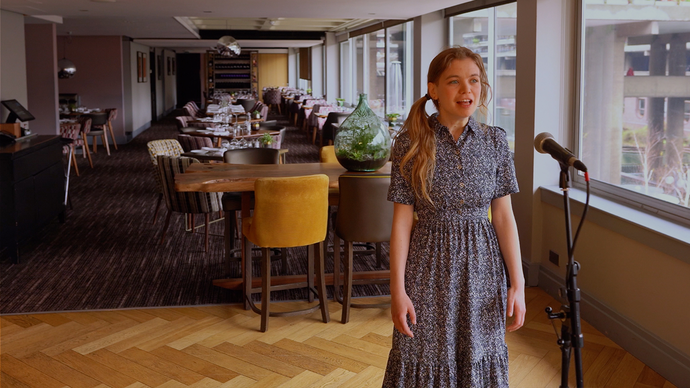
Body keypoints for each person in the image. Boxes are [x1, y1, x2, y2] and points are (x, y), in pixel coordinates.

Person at [383, 46, 526, 387]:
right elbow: (402, 223)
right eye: (454, 82)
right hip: (427, 268)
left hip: (482, 270)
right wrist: (396, 290)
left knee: (478, 353)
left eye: (474, 81)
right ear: (433, 90)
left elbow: (504, 217)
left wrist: (517, 283)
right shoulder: (410, 144)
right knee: (422, 354)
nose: (467, 90)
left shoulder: (495, 141)